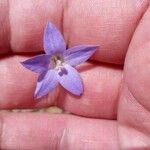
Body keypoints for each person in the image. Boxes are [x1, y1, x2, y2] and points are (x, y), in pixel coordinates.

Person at [0, 0, 150, 149]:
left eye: (58, 59)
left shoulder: (62, 54)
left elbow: (82, 57)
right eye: (55, 60)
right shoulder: (45, 64)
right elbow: (35, 69)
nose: (58, 63)